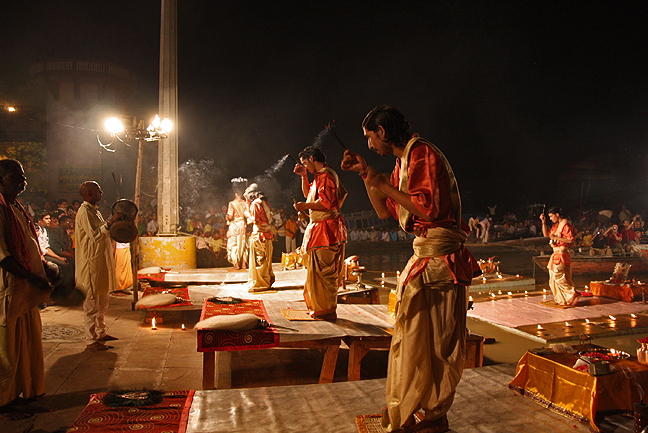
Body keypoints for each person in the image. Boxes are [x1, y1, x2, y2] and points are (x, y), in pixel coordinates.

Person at [341, 105, 480, 432]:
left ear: (383, 132)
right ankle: (413, 403)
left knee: (437, 341)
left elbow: (427, 209)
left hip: (440, 259)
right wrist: (366, 174)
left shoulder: (422, 154)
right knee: (414, 337)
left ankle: (435, 415)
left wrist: (383, 184)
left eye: (370, 138)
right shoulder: (401, 164)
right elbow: (385, 211)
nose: (369, 145)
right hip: (425, 255)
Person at [0, 159, 53, 420]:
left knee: (26, 343)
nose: (23, 182)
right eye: (16, 177)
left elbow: (29, 243)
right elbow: (3, 257)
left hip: (24, 289)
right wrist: (32, 277)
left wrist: (44, 267)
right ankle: (3, 402)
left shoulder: (15, 207)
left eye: (23, 177)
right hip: (8, 289)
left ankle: (19, 393)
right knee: (7, 349)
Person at [294, 145, 347, 320]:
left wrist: (304, 206)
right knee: (319, 271)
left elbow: (325, 202)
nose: (305, 166)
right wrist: (304, 176)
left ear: (312, 159)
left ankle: (326, 310)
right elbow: (309, 194)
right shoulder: (320, 176)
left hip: (327, 228)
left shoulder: (326, 175)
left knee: (325, 272)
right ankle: (320, 308)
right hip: (321, 227)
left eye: (305, 163)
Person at [75, 181, 121, 351]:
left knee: (102, 301)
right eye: (98, 191)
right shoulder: (84, 212)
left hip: (100, 261)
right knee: (91, 303)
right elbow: (94, 235)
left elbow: (104, 233)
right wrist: (110, 223)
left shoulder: (94, 211)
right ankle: (90, 339)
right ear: (89, 194)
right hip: (90, 263)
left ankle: (101, 332)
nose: (101, 193)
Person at [540, 207, 580, 306]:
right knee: (553, 278)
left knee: (558, 276)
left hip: (562, 254)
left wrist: (556, 238)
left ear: (557, 214)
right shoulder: (556, 226)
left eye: (551, 216)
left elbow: (570, 240)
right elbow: (547, 235)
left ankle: (573, 294)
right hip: (556, 254)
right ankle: (562, 299)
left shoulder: (566, 225)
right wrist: (543, 222)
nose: (550, 218)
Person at [244, 184, 275, 291]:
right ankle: (266, 280)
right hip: (266, 234)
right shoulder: (264, 202)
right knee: (266, 260)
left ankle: (261, 283)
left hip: (260, 235)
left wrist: (247, 214)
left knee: (260, 260)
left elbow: (255, 219)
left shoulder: (256, 203)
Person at [226, 189, 248, 270]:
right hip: (242, 224)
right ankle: (244, 264)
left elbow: (230, 217)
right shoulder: (245, 203)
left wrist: (227, 217)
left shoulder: (232, 203)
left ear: (236, 194)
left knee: (234, 244)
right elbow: (247, 215)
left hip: (234, 225)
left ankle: (237, 265)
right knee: (242, 244)